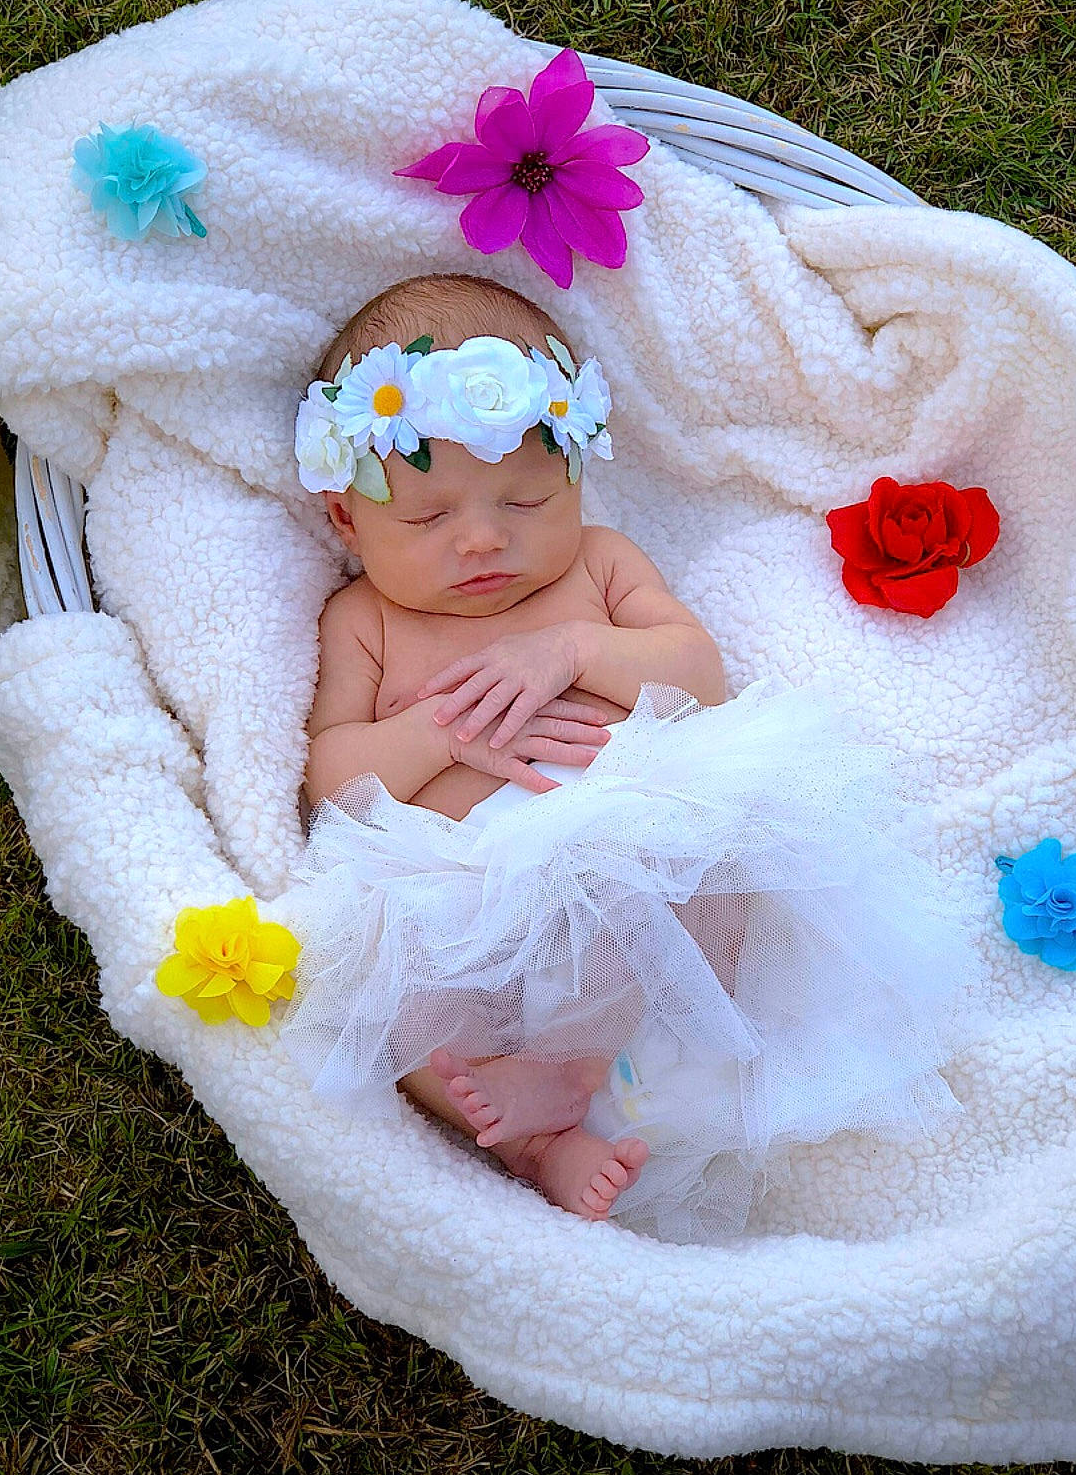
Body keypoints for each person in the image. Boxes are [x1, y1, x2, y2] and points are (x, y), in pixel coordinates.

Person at [279, 272, 981, 1240]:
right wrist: (434, 733)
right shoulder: (363, 619)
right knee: (389, 997)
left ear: (574, 475)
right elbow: (334, 780)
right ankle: (532, 1135)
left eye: (524, 498)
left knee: (698, 884)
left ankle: (570, 1073)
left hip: (621, 835)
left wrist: (574, 648)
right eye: (427, 519)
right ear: (346, 520)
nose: (482, 538)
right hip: (453, 881)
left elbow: (697, 675)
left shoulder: (598, 566)